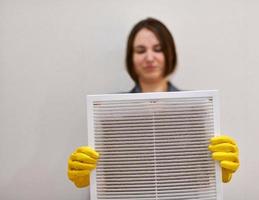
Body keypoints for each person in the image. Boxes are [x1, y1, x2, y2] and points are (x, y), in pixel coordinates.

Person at [67, 17, 240, 188]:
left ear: (169, 54)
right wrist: (91, 174)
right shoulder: (113, 113)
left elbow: (200, 173)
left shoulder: (194, 109)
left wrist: (217, 170)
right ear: (131, 58)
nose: (149, 58)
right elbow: (111, 175)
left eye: (158, 49)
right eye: (141, 50)